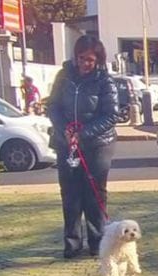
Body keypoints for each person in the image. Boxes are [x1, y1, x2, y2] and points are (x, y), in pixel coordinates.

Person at [47, 35, 119, 259]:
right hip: (66, 142)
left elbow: (111, 115)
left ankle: (97, 242)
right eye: (81, 58)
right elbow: (53, 106)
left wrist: (83, 133)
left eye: (90, 59)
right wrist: (64, 130)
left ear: (98, 59)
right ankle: (72, 242)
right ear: (75, 57)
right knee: (70, 194)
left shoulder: (105, 81)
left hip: (97, 144)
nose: (85, 64)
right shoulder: (64, 76)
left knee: (93, 193)